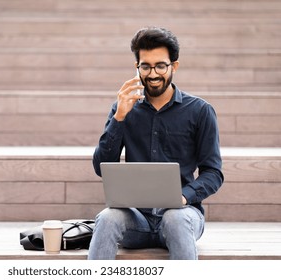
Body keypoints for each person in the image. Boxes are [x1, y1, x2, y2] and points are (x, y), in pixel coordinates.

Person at [88, 26, 224, 260]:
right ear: (137, 67)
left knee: (174, 218)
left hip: (183, 215)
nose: (152, 74)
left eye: (160, 65)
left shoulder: (200, 111)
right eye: (145, 66)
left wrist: (182, 197)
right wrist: (119, 117)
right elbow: (101, 167)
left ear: (174, 66)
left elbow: (213, 173)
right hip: (136, 220)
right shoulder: (123, 108)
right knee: (108, 217)